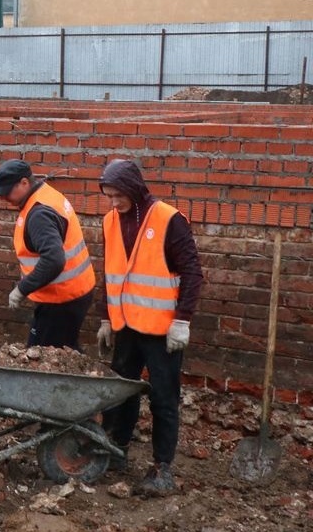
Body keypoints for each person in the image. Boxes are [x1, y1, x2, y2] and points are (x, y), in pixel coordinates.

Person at [96, 159, 202, 497]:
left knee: (163, 397)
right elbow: (111, 274)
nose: (114, 202)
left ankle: (162, 467)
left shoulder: (168, 220)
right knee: (119, 393)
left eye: (118, 195)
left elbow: (192, 273)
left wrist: (182, 320)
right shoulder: (110, 221)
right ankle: (116, 448)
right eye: (108, 196)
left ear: (134, 187)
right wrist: (104, 318)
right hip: (126, 326)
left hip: (161, 331)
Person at [0, 159, 96, 350]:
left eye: (7, 192)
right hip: (74, 292)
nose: (3, 198)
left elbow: (54, 260)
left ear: (24, 183)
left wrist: (22, 289)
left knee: (41, 355)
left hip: (61, 300)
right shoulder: (45, 194)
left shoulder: (39, 213)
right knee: (65, 350)